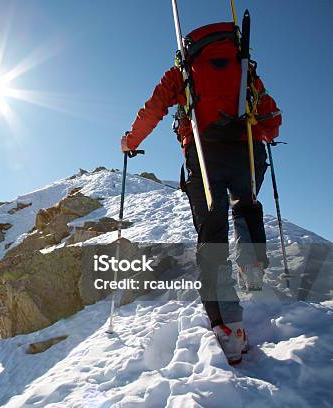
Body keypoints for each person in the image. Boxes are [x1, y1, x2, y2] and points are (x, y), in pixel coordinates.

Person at [121, 22, 281, 364]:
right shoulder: (243, 67)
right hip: (248, 152)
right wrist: (263, 133)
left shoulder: (181, 72)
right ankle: (252, 264)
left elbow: (154, 108)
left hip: (204, 154)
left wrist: (130, 142)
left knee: (212, 236)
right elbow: (270, 114)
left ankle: (229, 327)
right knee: (247, 206)